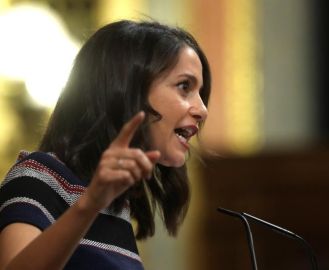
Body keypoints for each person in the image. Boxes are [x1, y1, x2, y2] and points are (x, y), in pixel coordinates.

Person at [0, 20, 211, 269]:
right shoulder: (39, 177)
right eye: (184, 86)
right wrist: (90, 204)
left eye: (201, 92)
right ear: (127, 89)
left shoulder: (118, 207)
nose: (202, 110)